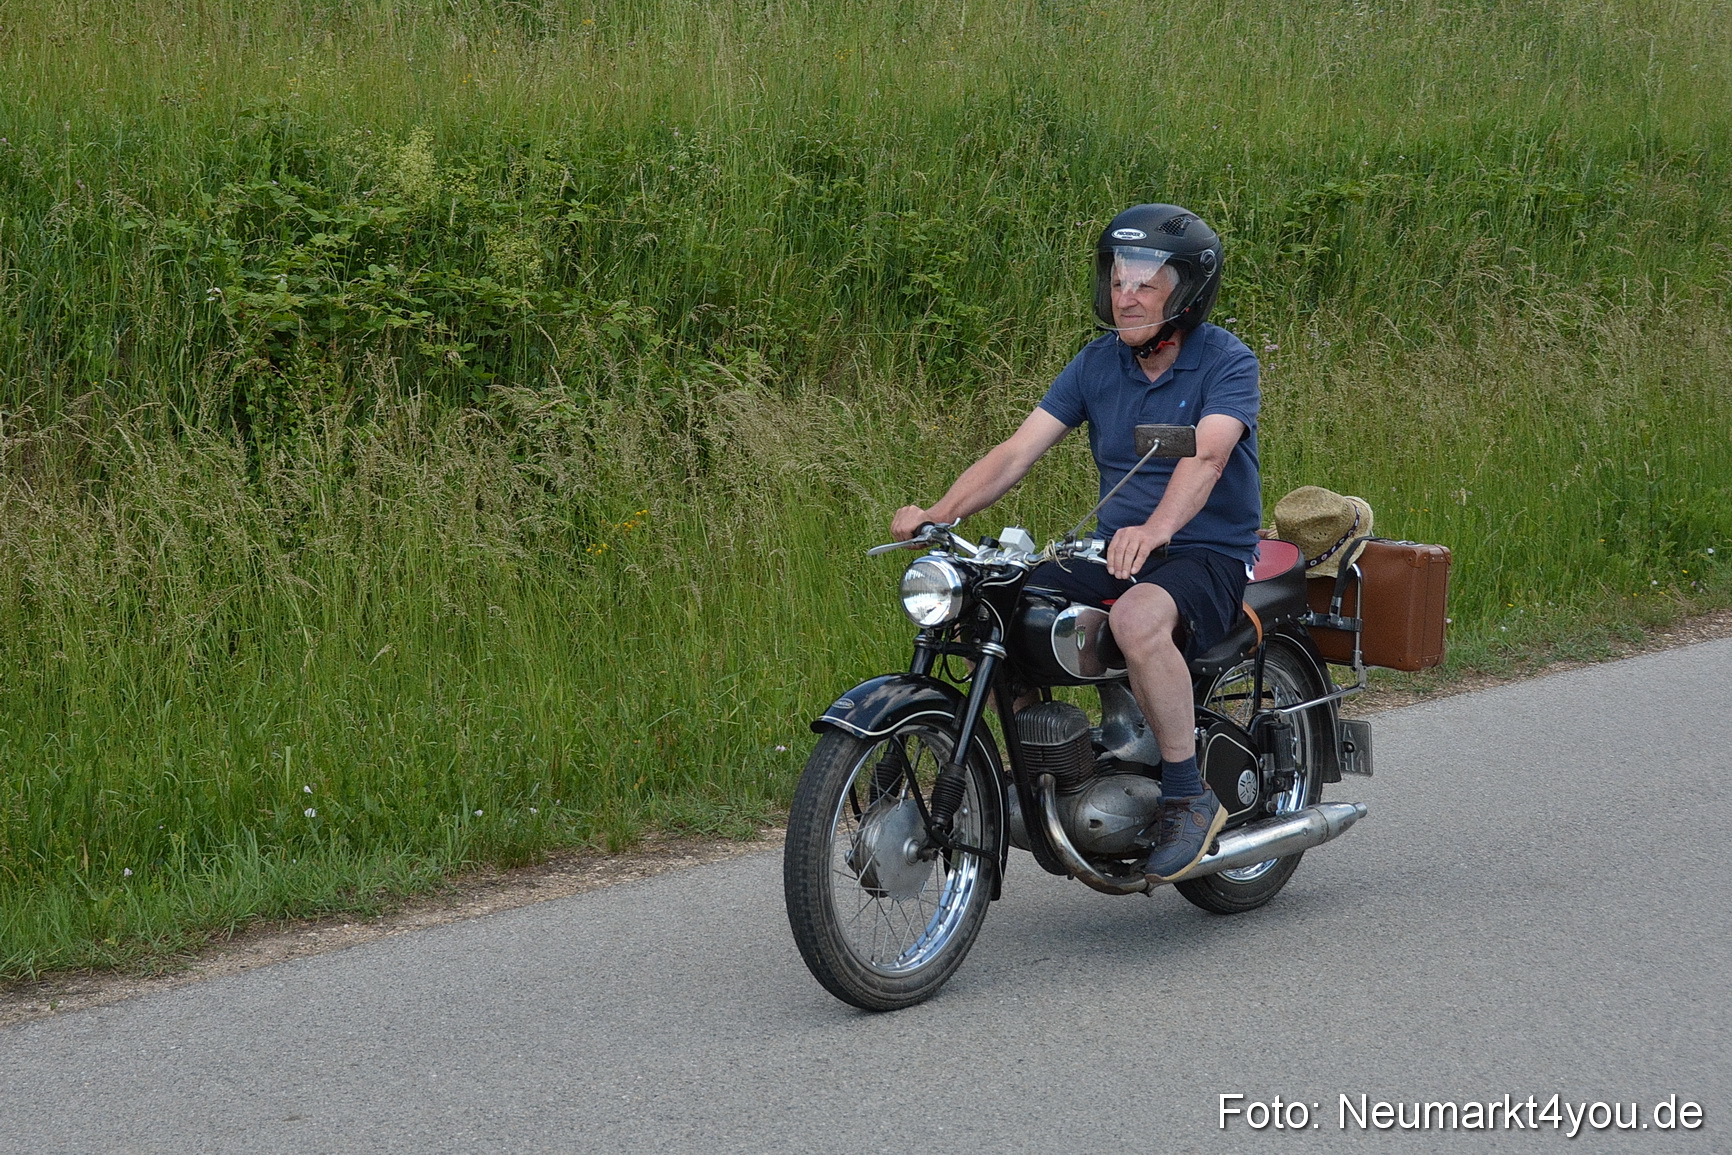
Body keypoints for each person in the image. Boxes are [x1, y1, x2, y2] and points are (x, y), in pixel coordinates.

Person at [890, 204, 1262, 884]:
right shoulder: (1097, 365)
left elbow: (1206, 459)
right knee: (998, 604)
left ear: (1187, 291)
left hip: (1204, 551)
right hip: (1113, 549)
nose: (1127, 295)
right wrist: (938, 512)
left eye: (1147, 281)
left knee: (1137, 617)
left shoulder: (1227, 362)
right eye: (1119, 278)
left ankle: (1187, 792)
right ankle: (1046, 773)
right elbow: (1016, 452)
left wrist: (1156, 529)